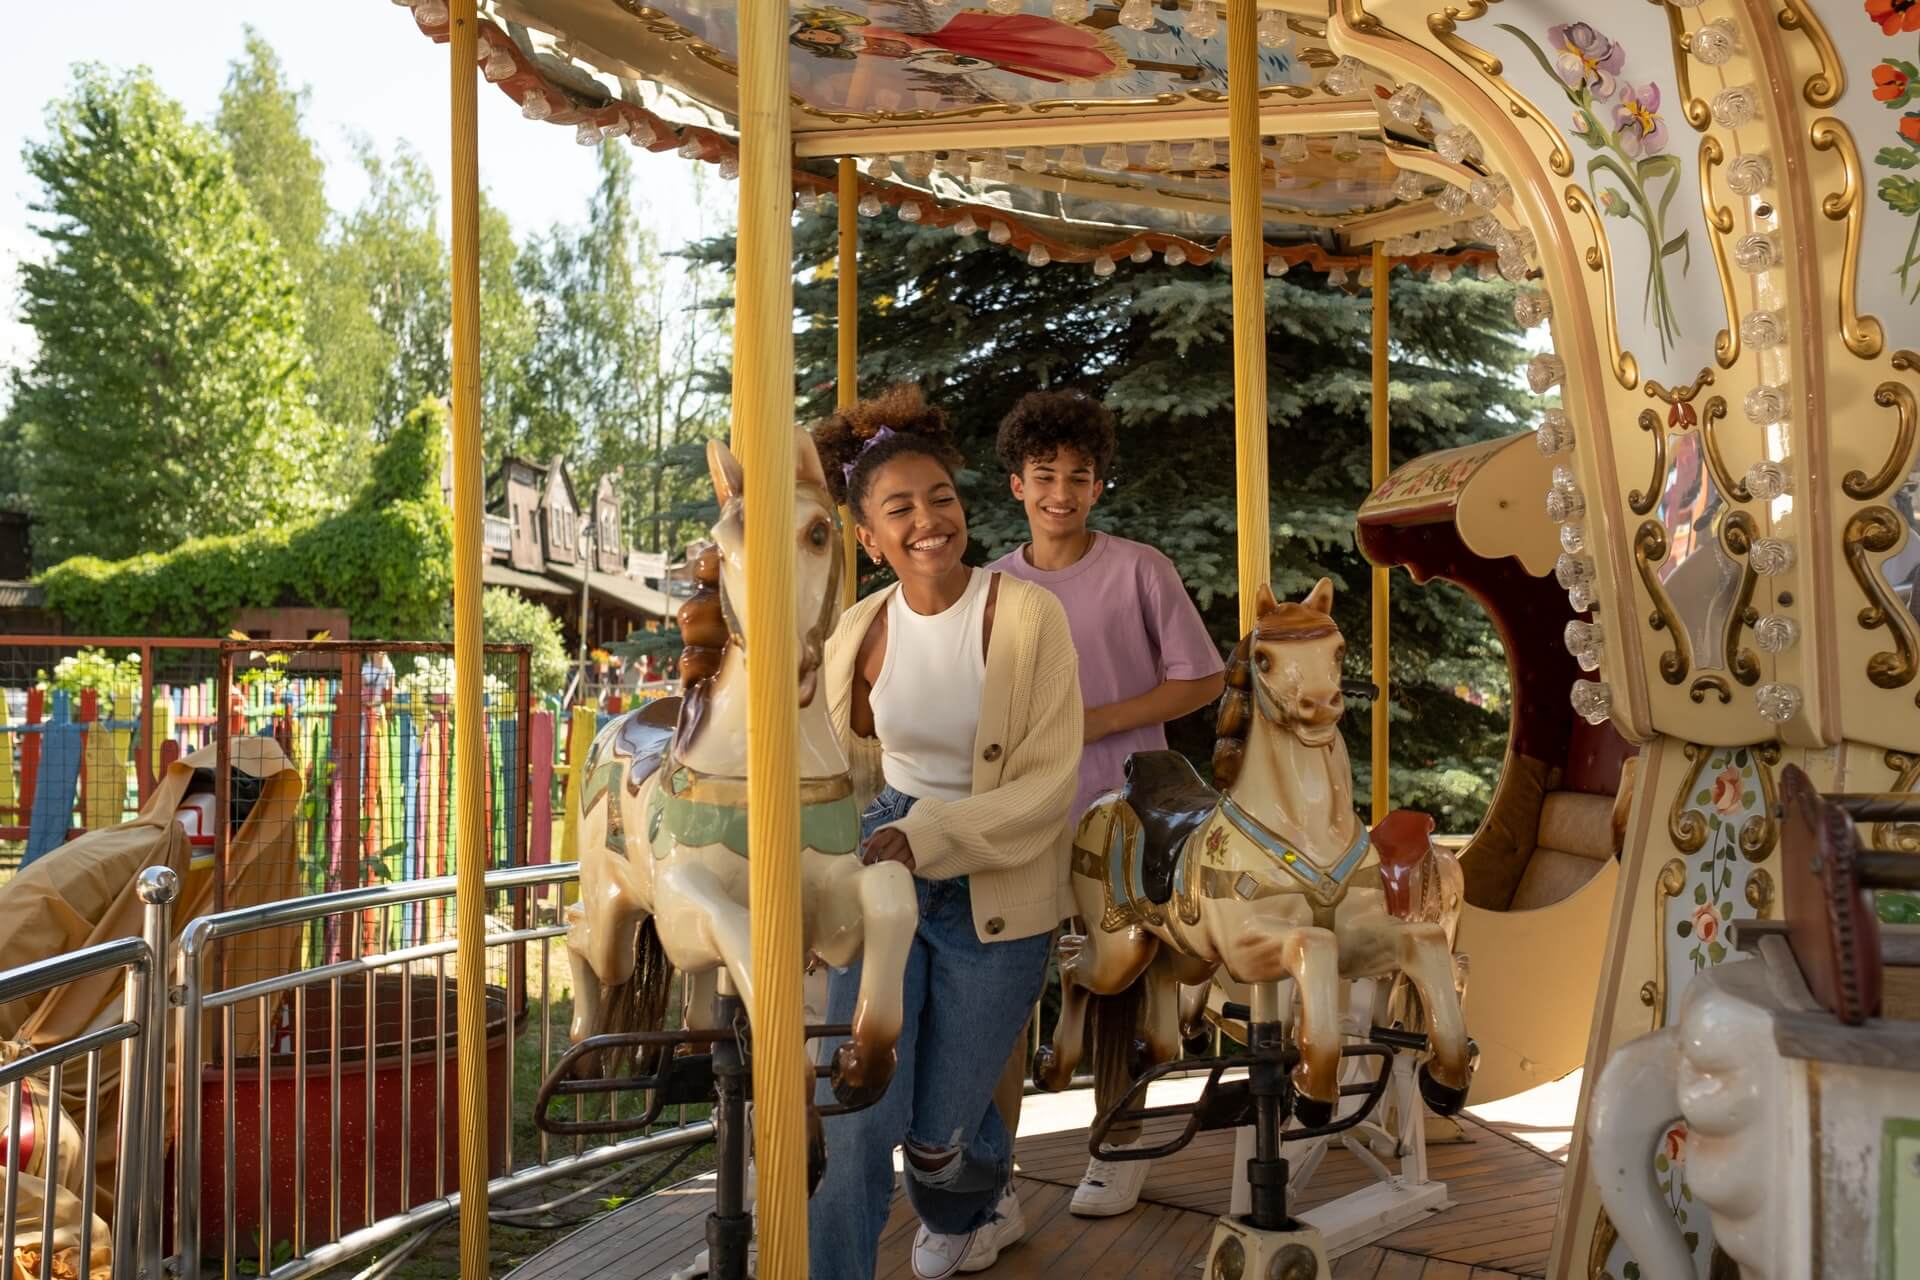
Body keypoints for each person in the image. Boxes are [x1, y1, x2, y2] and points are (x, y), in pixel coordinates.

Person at [810, 385, 1084, 1280]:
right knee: (854, 1120)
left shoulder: (1028, 617)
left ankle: (970, 1170)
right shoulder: (858, 630)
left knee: (938, 1142)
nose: (930, 520)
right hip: (884, 864)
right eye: (902, 509)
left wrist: (926, 839)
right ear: (869, 537)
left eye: (943, 499)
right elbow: (844, 769)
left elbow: (1048, 786)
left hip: (993, 883)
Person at [986, 388, 1226, 1219]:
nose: (1061, 492)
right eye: (1044, 474)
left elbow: (1204, 677)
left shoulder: (1140, 569)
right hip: (1027, 813)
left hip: (1127, 813)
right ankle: (991, 1166)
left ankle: (1117, 1145)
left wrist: (1096, 720)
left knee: (1121, 983)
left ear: (1098, 485)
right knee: (1009, 985)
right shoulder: (990, 587)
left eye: (1078, 477)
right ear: (1016, 482)